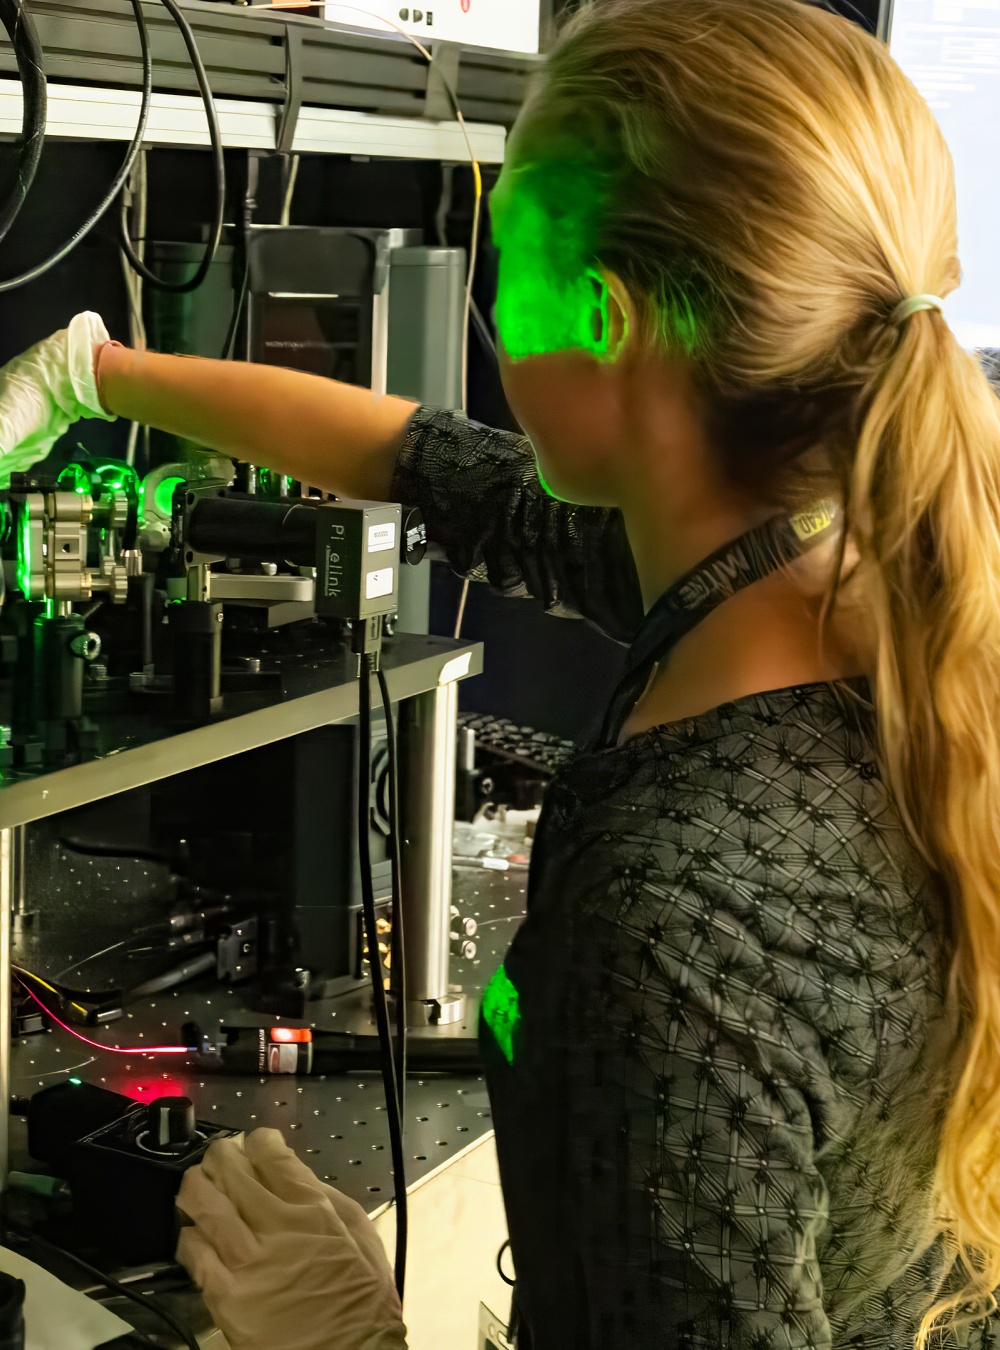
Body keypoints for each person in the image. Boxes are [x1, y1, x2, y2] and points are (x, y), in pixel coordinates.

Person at [2, 0, 1000, 1345]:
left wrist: (359, 1337)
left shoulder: (667, 922)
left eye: (506, 269)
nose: (493, 319)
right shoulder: (862, 579)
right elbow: (428, 462)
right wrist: (95, 376)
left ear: (603, 315)